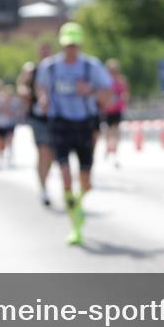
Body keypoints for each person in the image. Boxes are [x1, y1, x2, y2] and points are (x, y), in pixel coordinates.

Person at [36, 22, 113, 245]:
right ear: (62, 44)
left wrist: (89, 90)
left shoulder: (91, 66)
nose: (71, 49)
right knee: (66, 176)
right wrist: (42, 98)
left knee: (86, 183)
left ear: (80, 44)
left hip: (85, 125)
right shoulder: (50, 67)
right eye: (67, 44)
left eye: (75, 45)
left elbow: (108, 96)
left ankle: (77, 203)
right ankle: (75, 227)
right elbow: (41, 87)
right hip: (59, 123)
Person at [19, 43, 55, 206]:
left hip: (55, 116)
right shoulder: (32, 69)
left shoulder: (57, 69)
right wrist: (25, 92)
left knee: (51, 154)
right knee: (43, 150)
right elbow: (21, 85)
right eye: (43, 51)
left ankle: (45, 179)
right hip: (37, 116)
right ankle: (44, 188)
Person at [102, 58, 129, 167]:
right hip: (107, 110)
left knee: (116, 131)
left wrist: (124, 100)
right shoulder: (104, 80)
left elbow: (125, 93)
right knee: (108, 131)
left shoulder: (121, 80)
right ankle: (108, 147)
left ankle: (115, 151)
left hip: (117, 109)